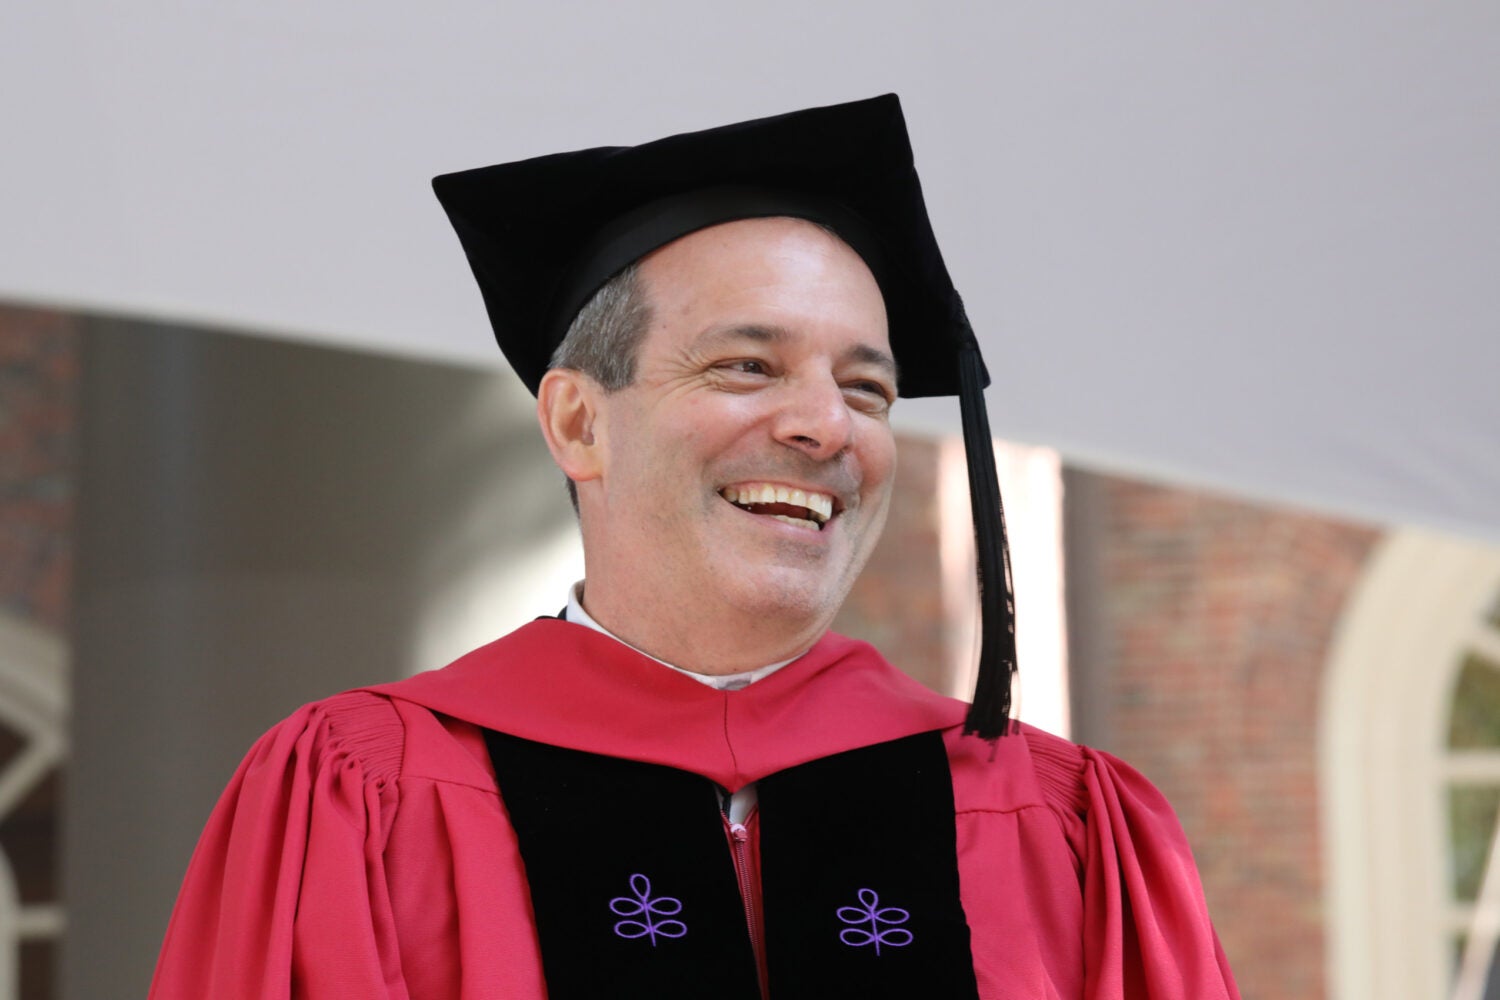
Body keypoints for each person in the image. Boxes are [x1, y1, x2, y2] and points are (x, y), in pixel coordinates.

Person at [150, 95, 1240, 999]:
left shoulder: (1061, 826)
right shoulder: (364, 798)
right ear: (581, 422)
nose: (828, 426)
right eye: (747, 367)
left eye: (867, 387)